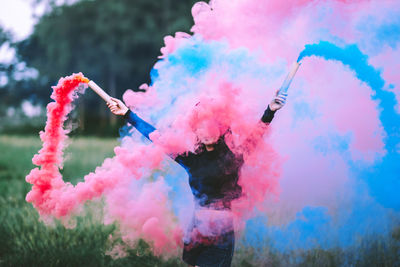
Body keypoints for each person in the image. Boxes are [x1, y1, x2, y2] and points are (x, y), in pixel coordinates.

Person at [107, 91, 287, 267]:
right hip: (196, 230)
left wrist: (270, 111)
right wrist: (128, 114)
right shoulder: (191, 159)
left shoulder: (233, 159)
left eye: (211, 126)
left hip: (220, 233)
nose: (206, 131)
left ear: (221, 129)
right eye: (201, 127)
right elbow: (158, 138)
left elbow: (255, 138)